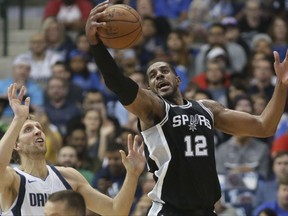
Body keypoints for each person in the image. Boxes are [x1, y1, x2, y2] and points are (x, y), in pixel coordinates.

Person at [85, 1, 288, 215]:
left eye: (164, 71)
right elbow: (118, 82)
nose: (159, 76)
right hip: (169, 210)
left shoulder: (208, 109)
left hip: (205, 210)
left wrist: (282, 86)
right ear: (149, 88)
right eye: (153, 75)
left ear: (178, 79)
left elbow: (264, 126)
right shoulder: (154, 109)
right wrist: (95, 45)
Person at [0, 83, 145, 215]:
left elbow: (115, 212)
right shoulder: (12, 178)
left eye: (39, 127)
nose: (37, 131)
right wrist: (19, 118)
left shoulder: (68, 176)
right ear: (16, 145)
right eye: (28, 130)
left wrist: (132, 175)